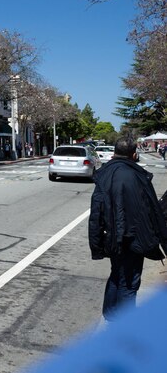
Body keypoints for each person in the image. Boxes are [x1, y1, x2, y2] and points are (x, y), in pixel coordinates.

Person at [88, 137, 167, 322]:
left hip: (112, 238)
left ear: (115, 152)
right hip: (133, 238)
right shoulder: (137, 176)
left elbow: (95, 214)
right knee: (129, 283)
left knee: (116, 274)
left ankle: (110, 316)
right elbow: (152, 209)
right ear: (134, 154)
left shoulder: (104, 174)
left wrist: (96, 243)